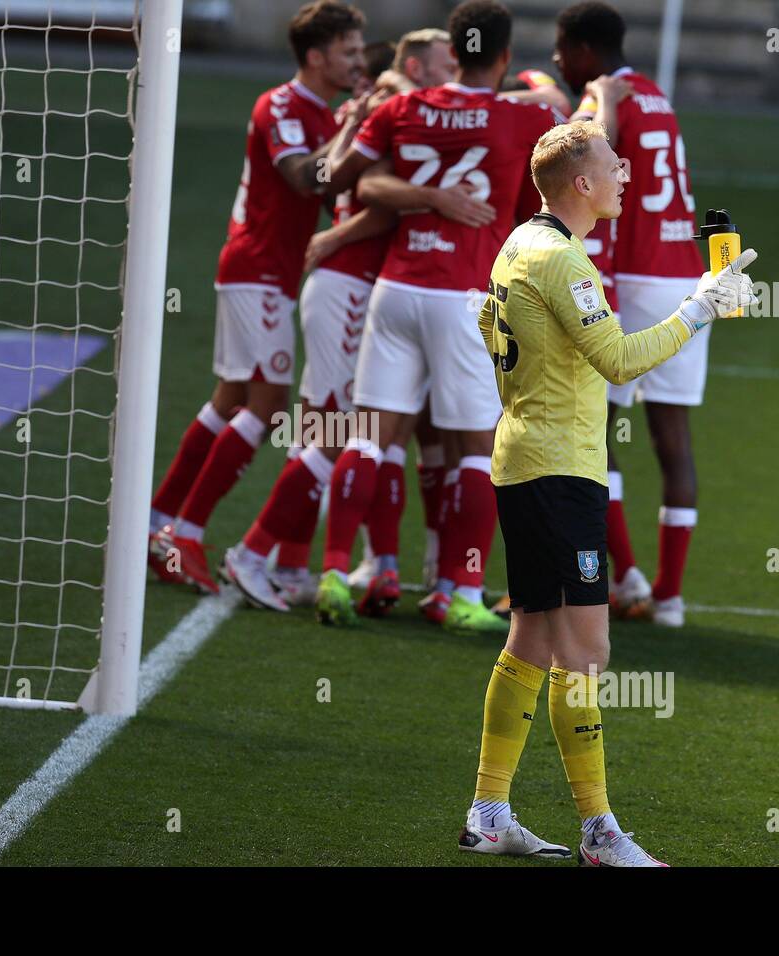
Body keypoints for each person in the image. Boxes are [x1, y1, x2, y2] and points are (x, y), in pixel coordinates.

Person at [461, 120, 755, 864]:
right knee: (585, 653)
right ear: (581, 184)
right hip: (559, 475)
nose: (628, 172)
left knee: (530, 637)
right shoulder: (561, 260)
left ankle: (489, 811)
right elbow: (621, 361)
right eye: (613, 165)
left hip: (526, 461)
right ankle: (600, 832)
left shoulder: (519, 246)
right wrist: (701, 307)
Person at [313, 0, 565, 633]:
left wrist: (414, 188)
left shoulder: (401, 108)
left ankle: (336, 574)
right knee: (479, 450)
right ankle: (458, 591)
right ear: (504, 56)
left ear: (454, 51)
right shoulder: (517, 120)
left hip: (396, 288)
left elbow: (342, 179)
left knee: (370, 434)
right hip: (463, 298)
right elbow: (527, 213)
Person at [222, 29, 478, 611]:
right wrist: (346, 231)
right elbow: (376, 197)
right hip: (349, 282)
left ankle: (291, 562)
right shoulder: (401, 110)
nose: (455, 74)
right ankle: (252, 552)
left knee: (337, 432)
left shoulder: (412, 112)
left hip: (362, 286)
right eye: (446, 64)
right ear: (417, 66)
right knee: (336, 432)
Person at [147, 1, 367, 594]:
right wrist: (357, 127)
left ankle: (158, 521)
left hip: (270, 274)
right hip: (257, 270)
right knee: (269, 406)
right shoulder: (283, 106)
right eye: (347, 51)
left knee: (229, 400)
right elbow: (305, 177)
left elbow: (332, 194)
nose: (356, 61)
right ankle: (186, 534)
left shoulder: (322, 114)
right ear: (317, 56)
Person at [555, 1, 711, 626]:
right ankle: (669, 597)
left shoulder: (605, 102)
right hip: (686, 276)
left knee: (597, 432)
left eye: (563, 52)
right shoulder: (660, 97)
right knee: (673, 440)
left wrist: (593, 104)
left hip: (637, 276)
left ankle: (626, 576)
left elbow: (591, 159)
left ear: (586, 52)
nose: (559, 63)